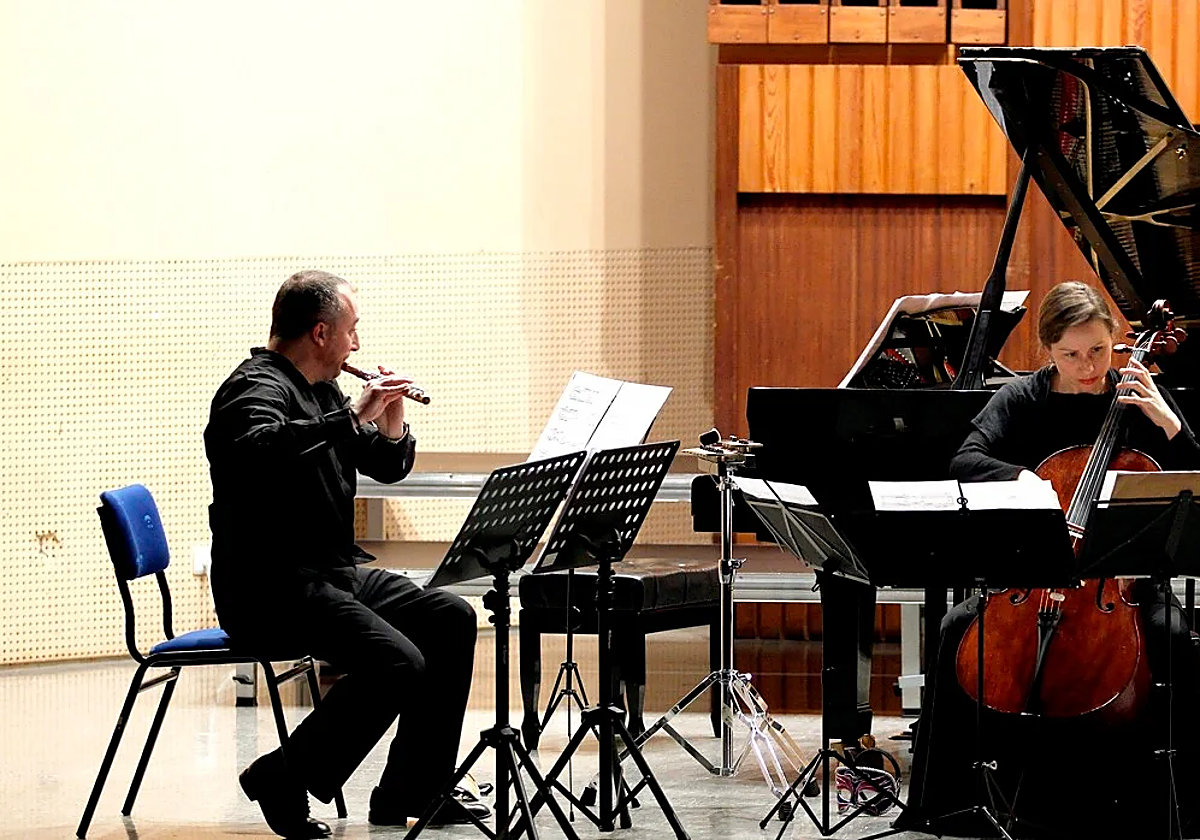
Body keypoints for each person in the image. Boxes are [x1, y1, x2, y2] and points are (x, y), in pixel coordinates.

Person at [900, 281, 1200, 839]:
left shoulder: (1141, 394)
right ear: (1048, 350)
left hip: (1122, 585)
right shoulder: (1024, 399)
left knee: (1175, 636)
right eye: (1071, 354)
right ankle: (946, 804)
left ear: (1115, 341)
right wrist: (1021, 478)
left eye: (1098, 350)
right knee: (954, 628)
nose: (1088, 367)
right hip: (1031, 579)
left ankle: (1172, 811)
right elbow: (966, 458)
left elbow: (1197, 474)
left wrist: (1168, 421)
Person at [205, 270, 488, 839]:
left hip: (330, 573)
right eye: (351, 330)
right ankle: (283, 775)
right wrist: (352, 416)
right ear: (320, 333)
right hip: (268, 587)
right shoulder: (252, 389)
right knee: (397, 663)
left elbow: (385, 465)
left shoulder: (323, 389)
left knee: (450, 617)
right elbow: (261, 453)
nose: (356, 344)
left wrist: (391, 421)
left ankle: (412, 788)